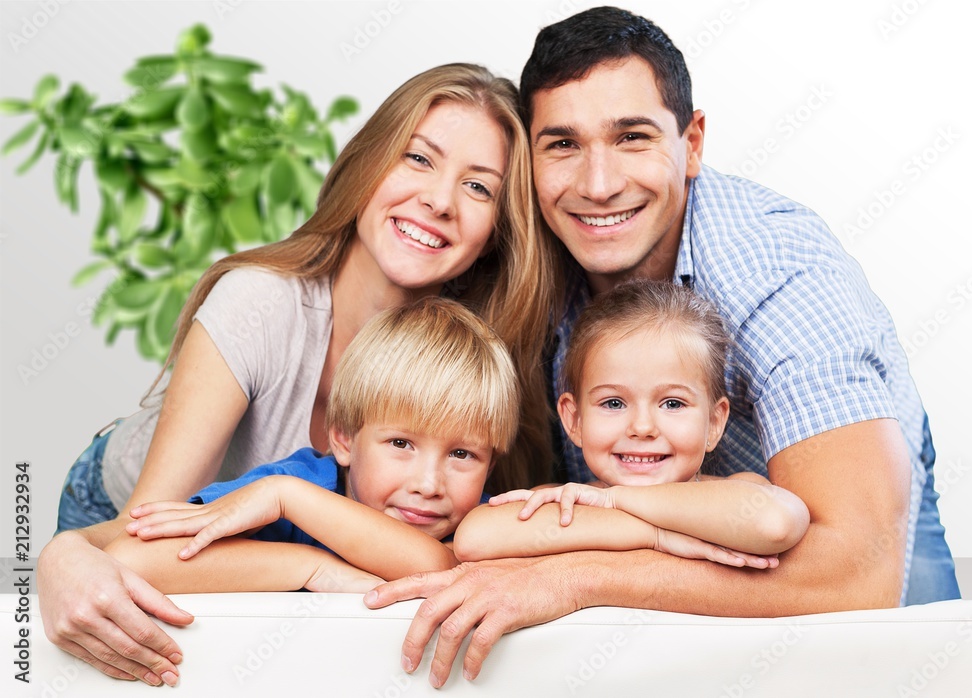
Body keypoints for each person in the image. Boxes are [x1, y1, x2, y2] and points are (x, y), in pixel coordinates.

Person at [364, 8, 960, 688]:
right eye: (562, 145)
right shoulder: (534, 252)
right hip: (659, 555)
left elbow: (858, 570)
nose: (598, 184)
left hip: (834, 542)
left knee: (910, 666)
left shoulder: (778, 271)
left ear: (693, 141)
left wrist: (576, 579)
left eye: (632, 138)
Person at [38, 63, 558, 687]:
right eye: (418, 159)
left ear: (497, 232)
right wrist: (59, 555)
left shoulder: (468, 359)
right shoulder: (260, 304)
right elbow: (141, 538)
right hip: (124, 507)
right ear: (368, 164)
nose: (440, 201)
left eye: (479, 189)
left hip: (266, 546)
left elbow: (445, 559)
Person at [104, 297, 519, 596]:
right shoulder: (294, 484)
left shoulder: (479, 523)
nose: (429, 484)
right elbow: (129, 558)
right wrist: (311, 567)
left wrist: (287, 499)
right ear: (342, 439)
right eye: (400, 443)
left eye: (462, 454)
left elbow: (434, 565)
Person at [454, 279, 809, 566]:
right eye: (613, 402)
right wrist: (653, 536)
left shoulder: (735, 491)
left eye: (672, 403)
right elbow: (474, 538)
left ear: (714, 423)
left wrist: (614, 502)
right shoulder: (561, 503)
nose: (642, 428)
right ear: (574, 419)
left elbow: (774, 524)